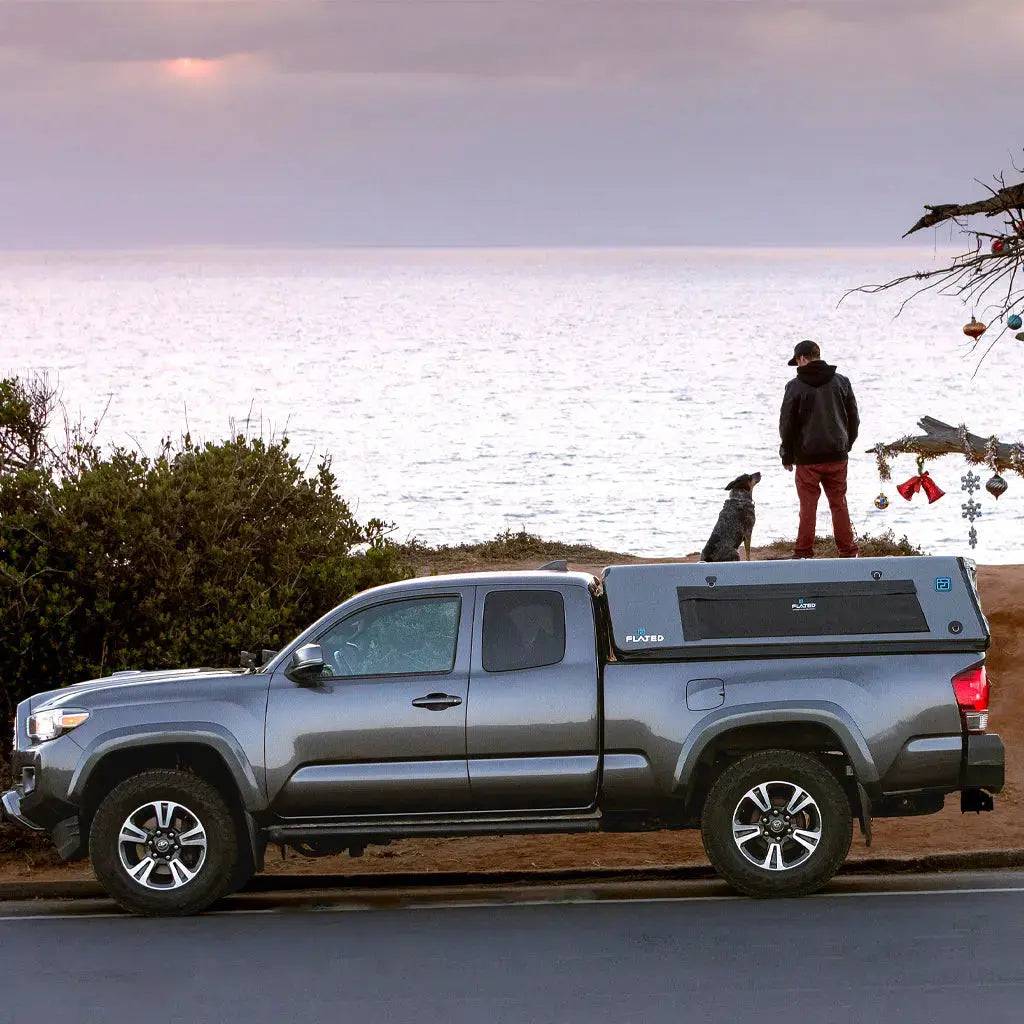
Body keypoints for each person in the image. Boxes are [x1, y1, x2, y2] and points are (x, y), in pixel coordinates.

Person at [779, 339, 860, 558]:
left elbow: (787, 422)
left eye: (797, 361)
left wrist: (786, 454)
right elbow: (854, 418)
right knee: (839, 504)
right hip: (837, 455)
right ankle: (847, 551)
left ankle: (804, 552)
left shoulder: (794, 386)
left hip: (807, 459)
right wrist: (846, 445)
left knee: (808, 507)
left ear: (802, 358)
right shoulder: (842, 382)